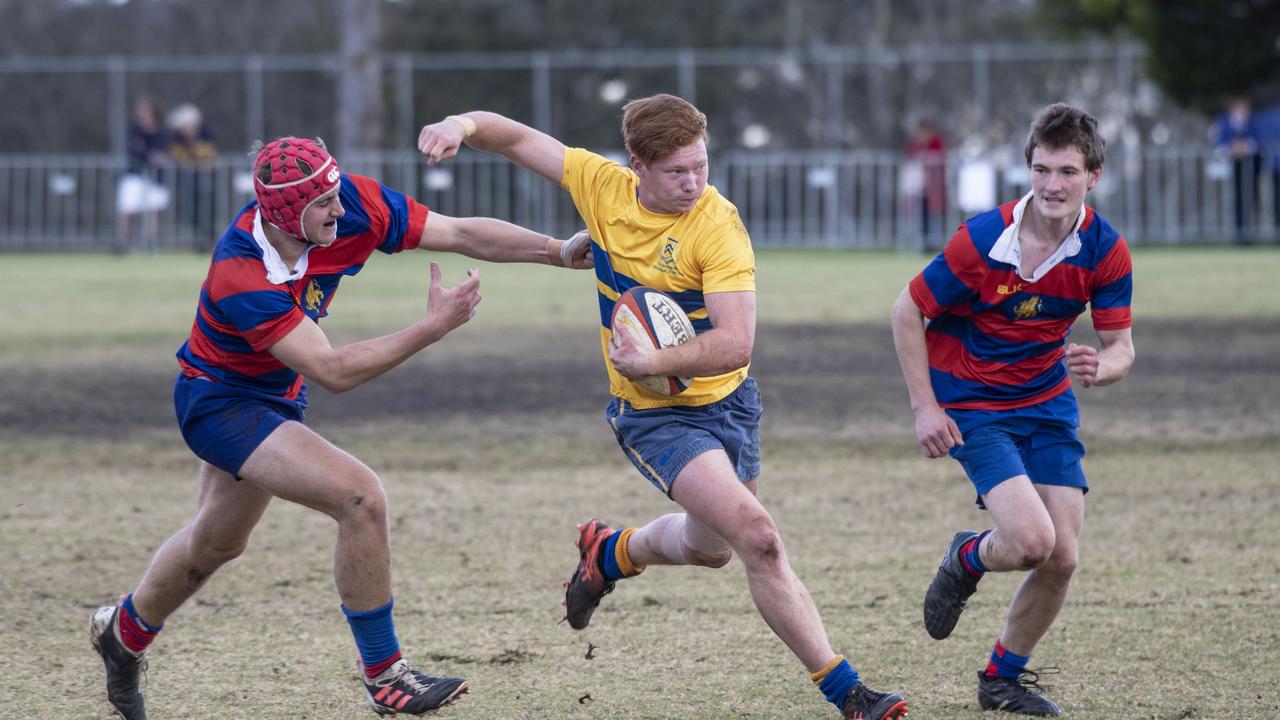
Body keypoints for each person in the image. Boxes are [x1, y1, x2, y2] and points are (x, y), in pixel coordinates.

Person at [416, 95, 908, 720]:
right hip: (654, 418)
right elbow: (511, 138)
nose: (694, 182)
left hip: (729, 403)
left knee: (714, 549)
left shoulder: (717, 225)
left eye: (702, 165)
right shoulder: (601, 186)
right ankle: (849, 692)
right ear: (637, 167)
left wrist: (651, 361)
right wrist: (458, 124)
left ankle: (611, 552)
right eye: (678, 171)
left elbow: (736, 343)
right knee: (759, 539)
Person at [90, 136, 593, 719]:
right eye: (323, 203)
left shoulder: (352, 205)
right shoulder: (241, 271)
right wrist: (430, 329)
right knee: (359, 498)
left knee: (217, 543)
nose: (338, 209)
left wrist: (558, 250)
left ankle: (122, 634)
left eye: (336, 194)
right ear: (283, 213)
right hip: (220, 403)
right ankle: (386, 676)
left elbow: (460, 233)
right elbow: (332, 370)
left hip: (276, 394)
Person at [890, 104, 1135, 716]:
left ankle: (1001, 679)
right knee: (1030, 542)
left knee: (1064, 556)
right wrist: (924, 408)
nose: (1052, 185)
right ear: (1029, 168)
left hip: (1047, 402)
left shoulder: (1105, 251)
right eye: (1042, 169)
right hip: (972, 402)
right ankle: (968, 556)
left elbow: (1121, 346)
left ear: (1093, 176)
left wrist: (1104, 368)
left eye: (1068, 172)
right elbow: (906, 310)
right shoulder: (982, 240)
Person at [115, 98, 171, 252]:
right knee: (128, 209)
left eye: (146, 111)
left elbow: (161, 153)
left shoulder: (161, 132)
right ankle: (122, 243)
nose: (142, 114)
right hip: (135, 175)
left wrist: (149, 154)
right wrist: (149, 156)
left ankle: (150, 244)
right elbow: (136, 150)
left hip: (156, 178)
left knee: (152, 211)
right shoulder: (133, 130)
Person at [167, 102, 218, 247]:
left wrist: (193, 150)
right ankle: (198, 239)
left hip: (207, 175)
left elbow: (207, 153)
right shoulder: (177, 138)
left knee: (208, 208)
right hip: (188, 178)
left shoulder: (206, 133)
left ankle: (209, 238)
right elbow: (177, 156)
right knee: (191, 208)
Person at [905, 119, 948, 249]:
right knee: (918, 213)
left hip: (934, 187)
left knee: (934, 213)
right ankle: (920, 242)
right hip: (919, 185)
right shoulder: (914, 143)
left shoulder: (936, 143)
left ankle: (933, 241)